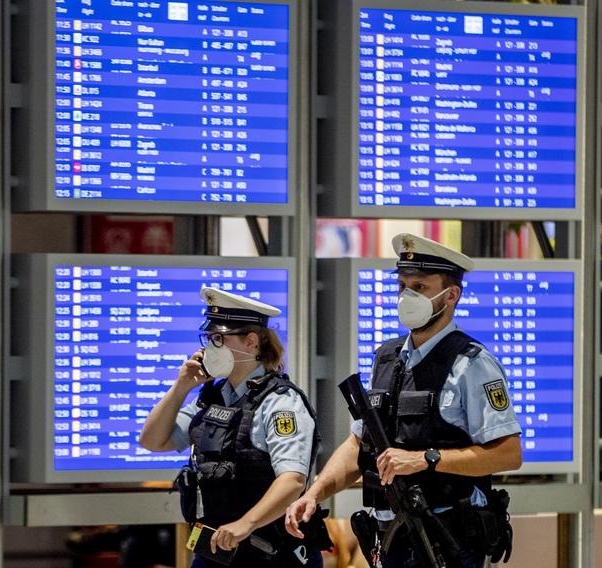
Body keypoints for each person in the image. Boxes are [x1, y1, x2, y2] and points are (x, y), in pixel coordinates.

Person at [284, 234, 522, 568]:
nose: (407, 296)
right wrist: (313, 494)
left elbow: (509, 454)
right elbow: (358, 444)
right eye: (403, 286)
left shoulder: (471, 363)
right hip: (391, 536)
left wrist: (427, 458)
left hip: (448, 540)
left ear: (451, 295)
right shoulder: (387, 359)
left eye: (420, 287)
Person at [140, 287, 329, 567]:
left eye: (219, 338)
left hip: (271, 553)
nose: (209, 347)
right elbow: (153, 441)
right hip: (216, 549)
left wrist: (246, 524)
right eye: (209, 338)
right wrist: (180, 388)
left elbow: (292, 480)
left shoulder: (280, 403)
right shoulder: (212, 398)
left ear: (251, 342)